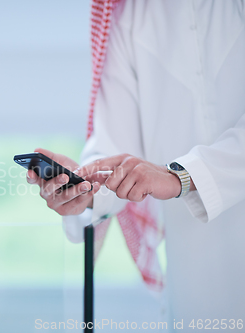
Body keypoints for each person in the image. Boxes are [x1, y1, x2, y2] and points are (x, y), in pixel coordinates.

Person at [27, 0, 245, 326]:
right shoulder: (131, 12)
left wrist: (180, 177)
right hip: (191, 283)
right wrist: (82, 190)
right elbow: (117, 150)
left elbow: (158, 174)